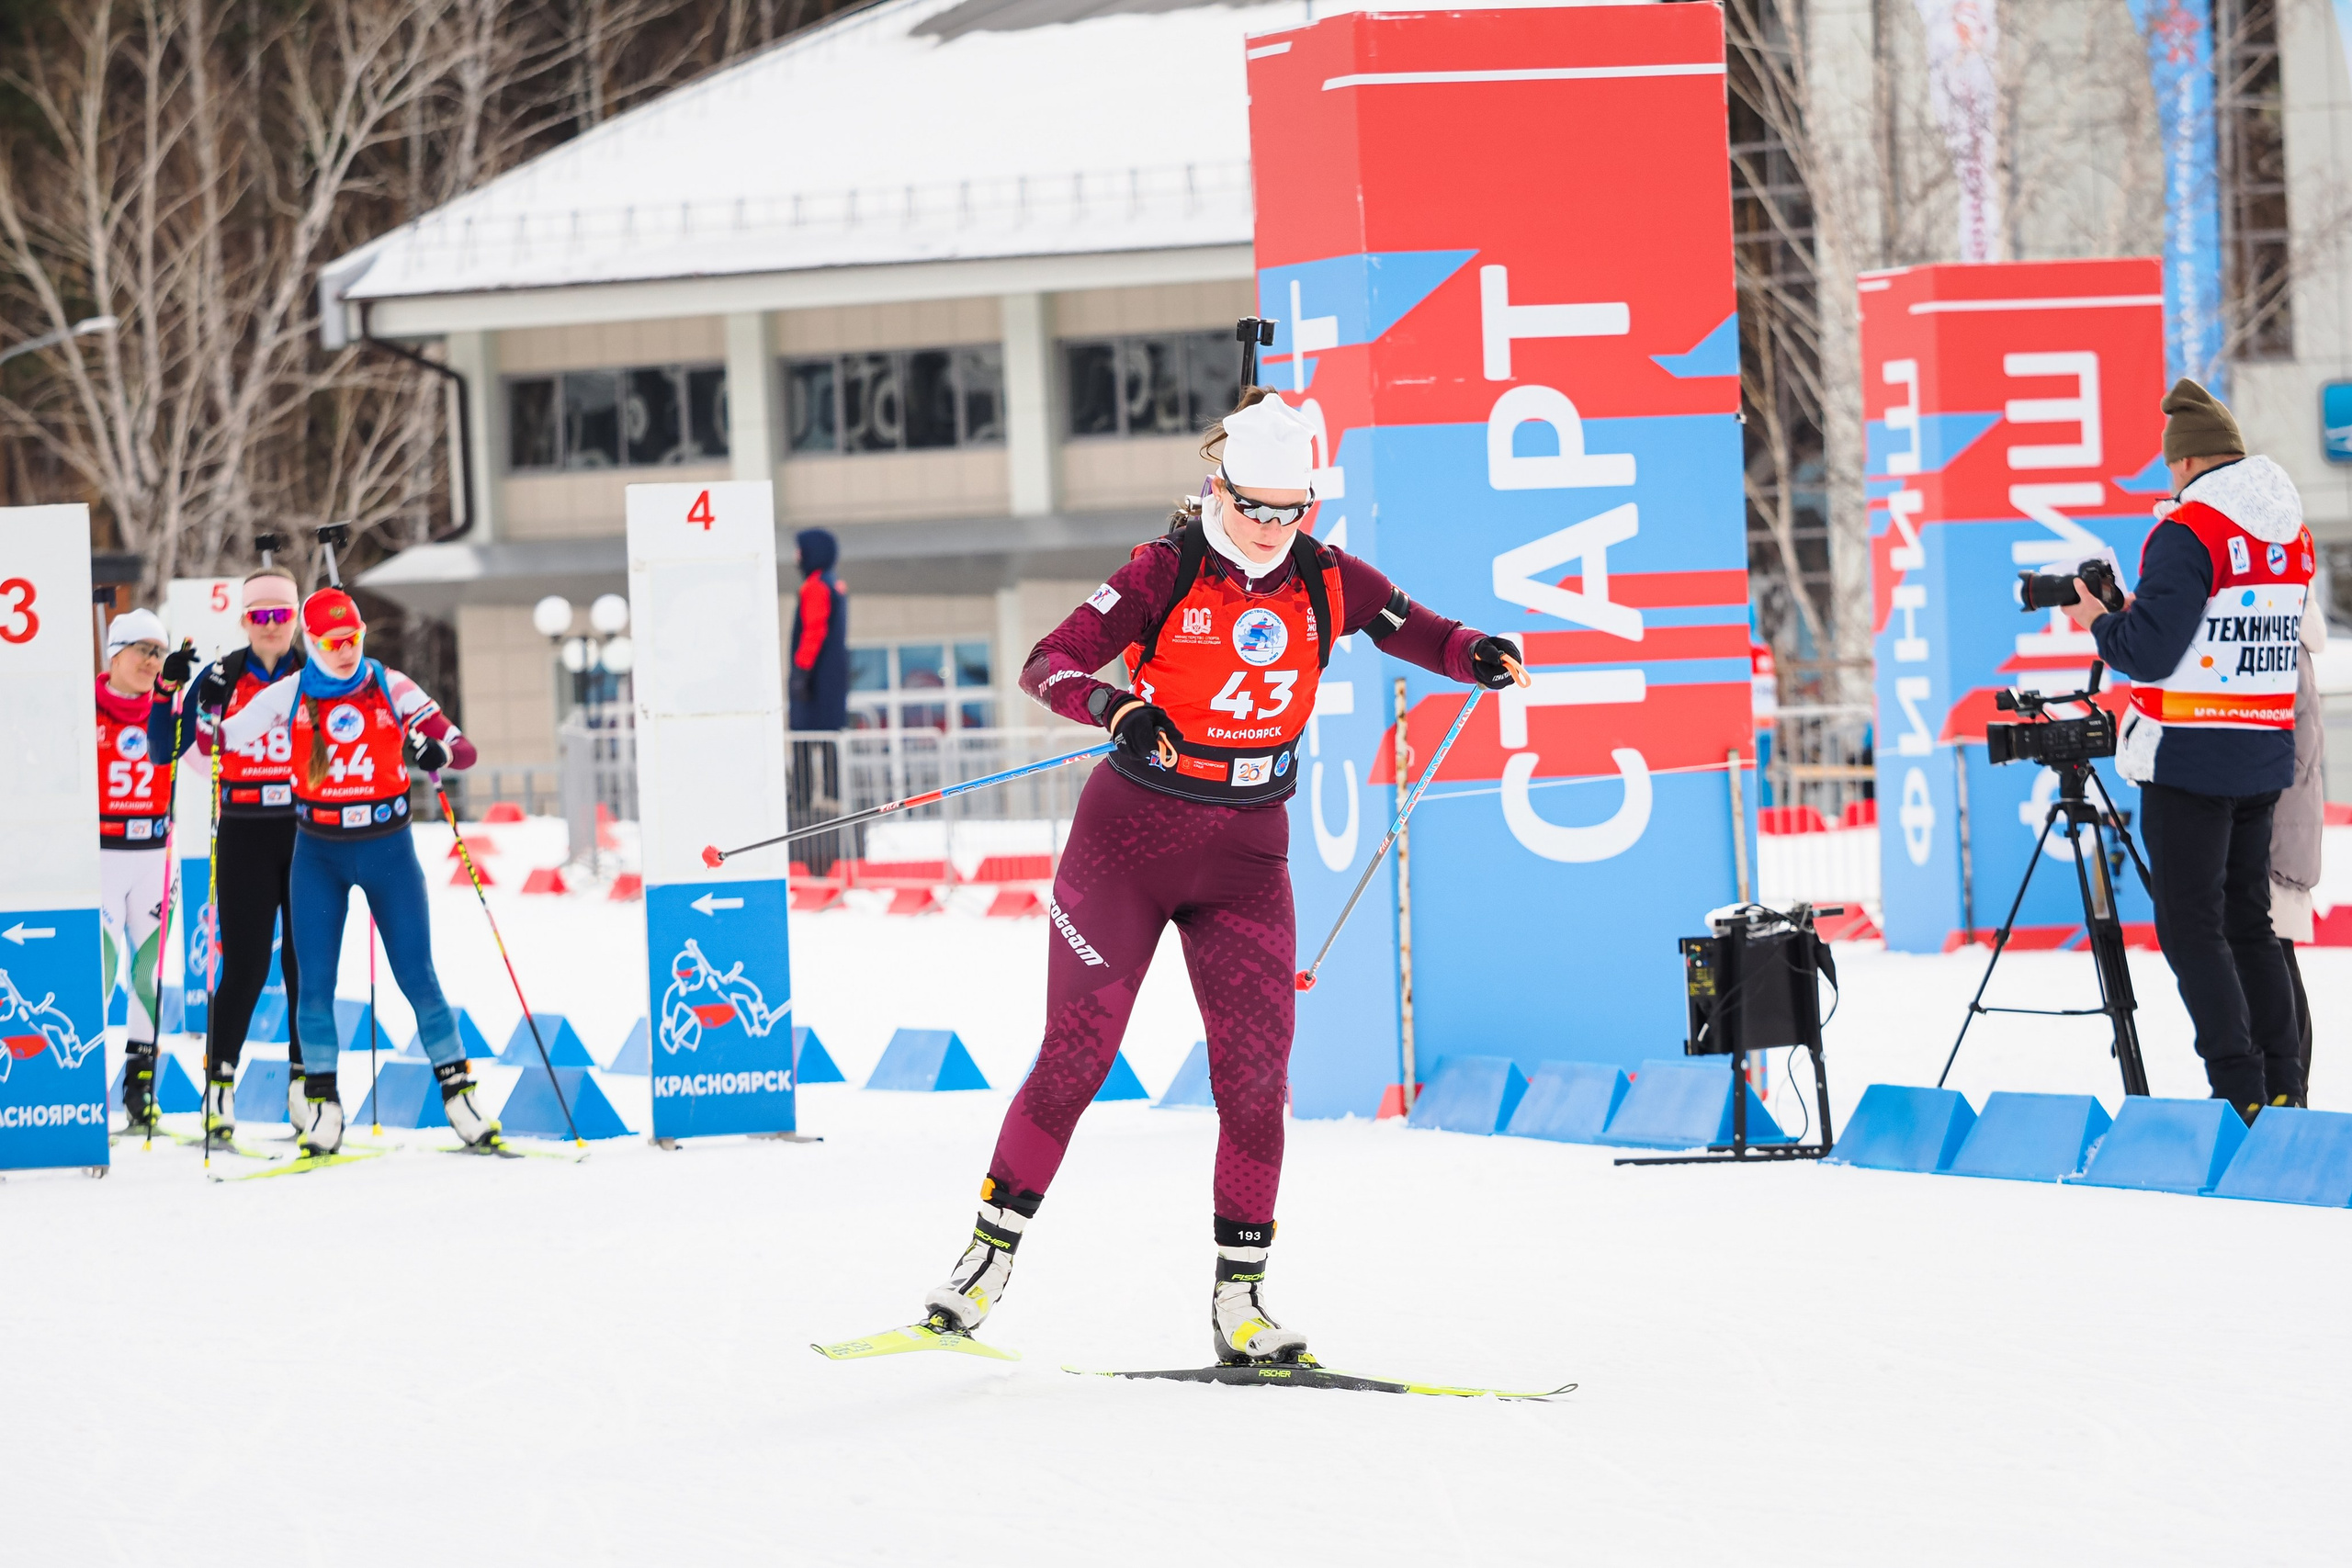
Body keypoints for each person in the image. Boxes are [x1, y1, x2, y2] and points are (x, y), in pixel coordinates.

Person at [920, 390, 1523, 1363]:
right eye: (1257, 509)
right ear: (1218, 489)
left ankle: (1239, 1304)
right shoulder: (1164, 570)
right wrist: (1115, 708)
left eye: (1295, 510)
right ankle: (982, 1266)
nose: (1274, 529)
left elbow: (1418, 629)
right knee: (1077, 1056)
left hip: (1247, 854)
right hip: (1128, 846)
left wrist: (1476, 654)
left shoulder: (1329, 579)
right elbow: (1049, 661)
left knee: (1253, 1081)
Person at [2064, 378, 2312, 1121]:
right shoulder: (2287, 531)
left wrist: (2101, 621)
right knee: (2249, 923)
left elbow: (2149, 651)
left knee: (2192, 927)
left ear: (2184, 463)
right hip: (2262, 753)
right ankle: (2282, 1086)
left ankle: (2235, 1091)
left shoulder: (2188, 530)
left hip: (2189, 758)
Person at [220, 589, 495, 1155]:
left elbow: (461, 750)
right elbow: (218, 743)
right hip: (317, 855)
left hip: (388, 852)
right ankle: (324, 1104)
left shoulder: (388, 684)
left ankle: (459, 1094)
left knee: (418, 976)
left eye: (353, 639)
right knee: (316, 987)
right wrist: (196, 700)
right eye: (330, 642)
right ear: (311, 642)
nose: (345, 651)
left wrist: (435, 748)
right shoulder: (290, 692)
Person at [158, 569, 311, 1140]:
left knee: (306, 964)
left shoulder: (314, 671)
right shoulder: (222, 673)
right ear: (245, 621)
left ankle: (307, 1085)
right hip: (245, 828)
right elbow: (190, 752)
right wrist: (201, 706)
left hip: (307, 832)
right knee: (245, 965)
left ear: (294, 618)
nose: (272, 626)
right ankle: (219, 1086)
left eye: (281, 614)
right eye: (260, 616)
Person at [97, 608, 194, 1133]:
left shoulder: (170, 705)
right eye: (143, 651)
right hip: (100, 856)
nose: (153, 662)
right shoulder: (84, 702)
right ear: (116, 653)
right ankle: (84, 1076)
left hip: (156, 854)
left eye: (160, 653)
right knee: (102, 971)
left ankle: (140, 1087)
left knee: (146, 973)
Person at [2266, 592, 2325, 1104]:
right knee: (2274, 955)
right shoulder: (2293, 640)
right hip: (2282, 826)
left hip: (2271, 828)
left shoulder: (2278, 645)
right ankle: (2289, 1090)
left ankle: (2287, 1093)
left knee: (2269, 956)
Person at [787, 527, 850, 868]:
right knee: (828, 747)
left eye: (799, 551)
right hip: (832, 687)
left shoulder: (815, 587)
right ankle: (830, 800)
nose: (797, 558)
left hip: (814, 687)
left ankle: (803, 805)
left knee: (805, 746)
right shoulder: (834, 584)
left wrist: (800, 672)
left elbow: (813, 631)